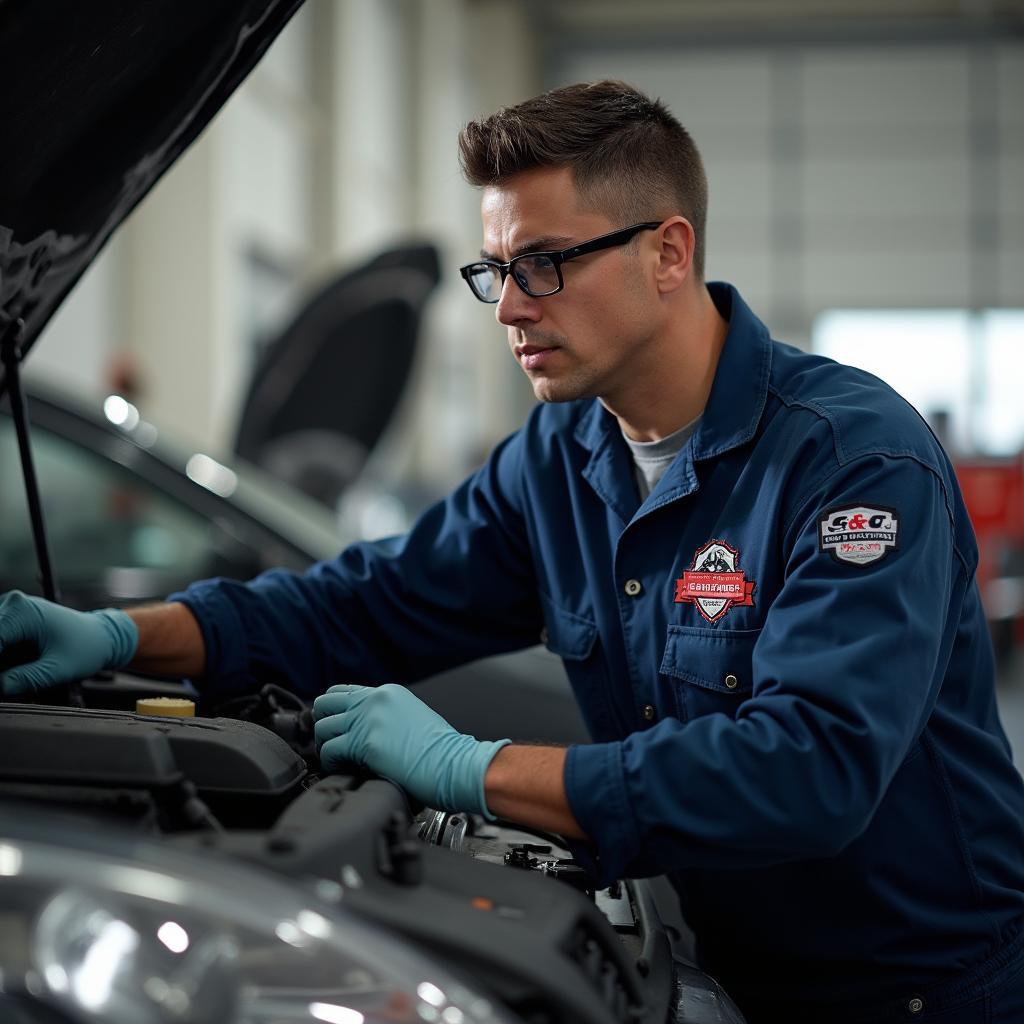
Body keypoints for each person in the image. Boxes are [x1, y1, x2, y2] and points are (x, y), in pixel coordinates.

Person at [1, 80, 1023, 1023]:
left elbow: (809, 771)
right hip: (729, 967)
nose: (510, 307)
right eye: (496, 268)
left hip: (929, 993)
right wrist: (116, 634)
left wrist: (471, 767)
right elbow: (364, 603)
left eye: (543, 263)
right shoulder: (560, 453)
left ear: (668, 253)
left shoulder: (852, 463)